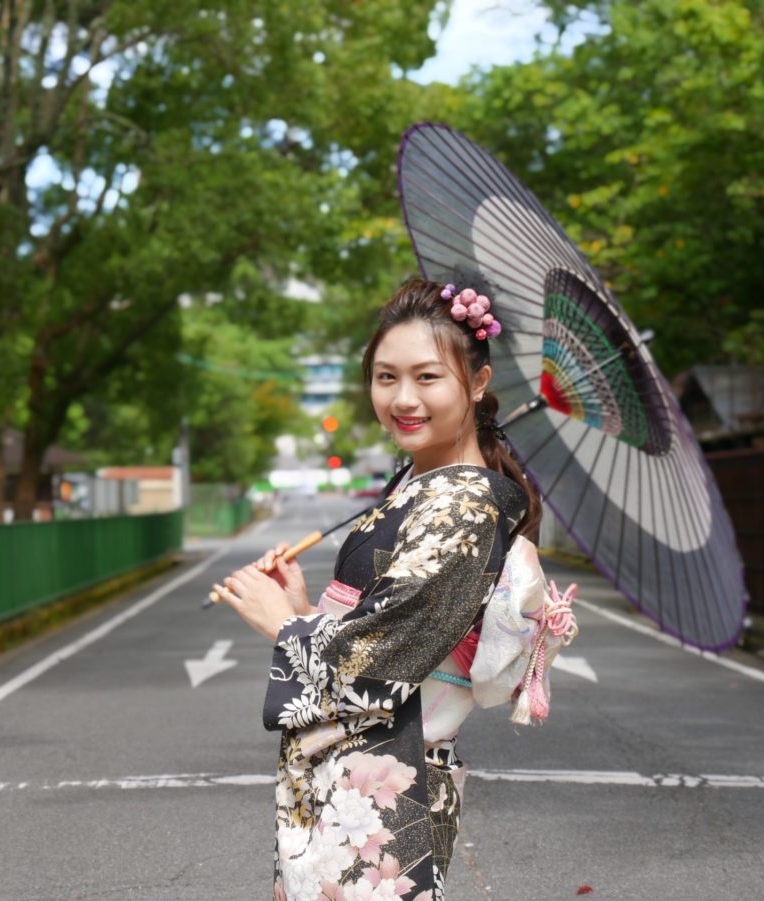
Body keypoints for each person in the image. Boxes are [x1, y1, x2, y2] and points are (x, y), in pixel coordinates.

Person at [213, 277, 547, 901]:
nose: (403, 398)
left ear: (477, 383)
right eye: (385, 377)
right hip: (357, 770)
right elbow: (383, 624)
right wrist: (304, 606)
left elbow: (388, 654)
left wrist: (282, 624)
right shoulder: (422, 488)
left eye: (427, 377)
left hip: (389, 779)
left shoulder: (466, 506)